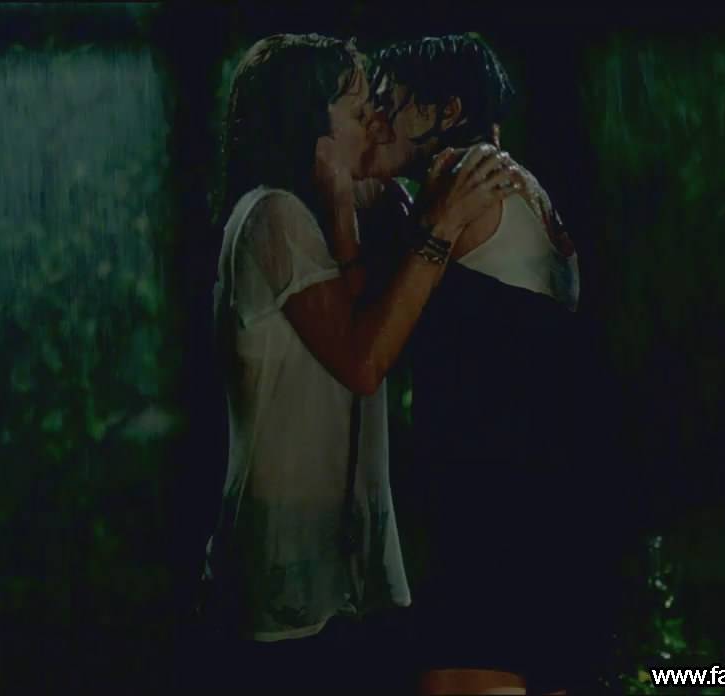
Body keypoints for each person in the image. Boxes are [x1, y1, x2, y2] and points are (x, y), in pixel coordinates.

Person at [198, 33, 526, 692]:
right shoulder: (273, 215)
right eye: (356, 111)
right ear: (310, 128)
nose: (374, 122)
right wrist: (435, 226)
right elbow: (362, 361)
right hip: (287, 567)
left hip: (346, 561)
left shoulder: (330, 207)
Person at [362, 34, 590, 695]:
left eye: (390, 102)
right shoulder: (520, 186)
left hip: (489, 495)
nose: (376, 119)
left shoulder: (462, 180)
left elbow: (376, 320)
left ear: (447, 110)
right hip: (532, 485)